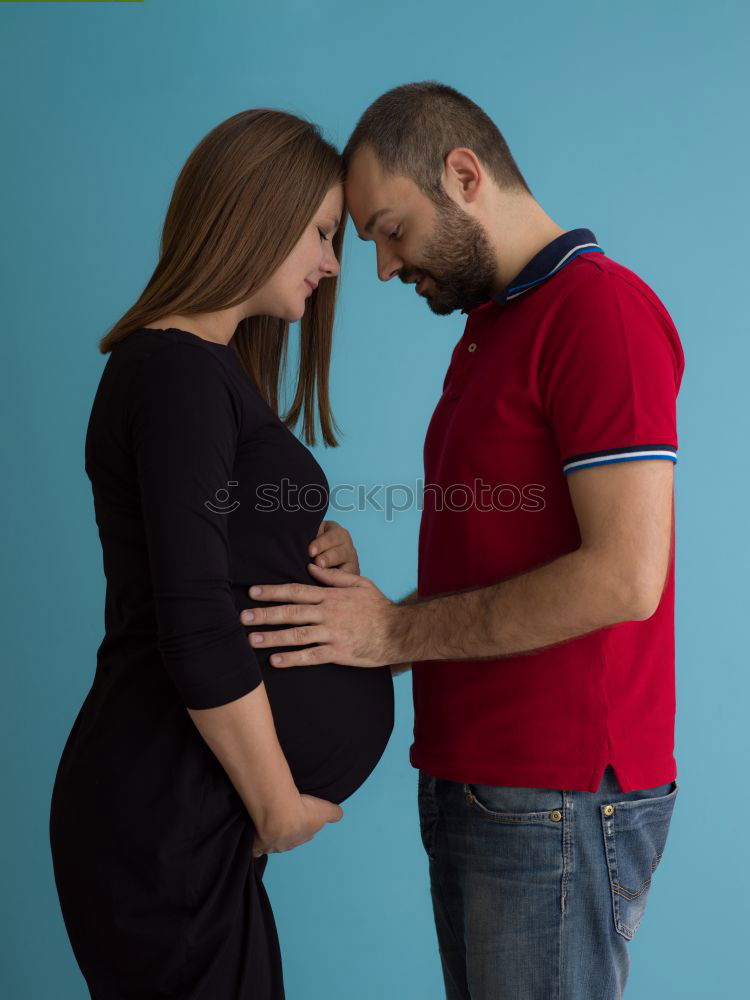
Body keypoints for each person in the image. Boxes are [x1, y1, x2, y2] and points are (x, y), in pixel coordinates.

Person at [241, 82, 684, 999]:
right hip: (481, 778)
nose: (382, 268)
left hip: (553, 791)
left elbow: (625, 578)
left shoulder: (599, 313)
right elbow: (499, 562)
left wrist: (393, 637)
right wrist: (367, 615)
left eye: (389, 229)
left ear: (464, 174)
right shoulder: (491, 330)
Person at [48, 109, 394, 1000]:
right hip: (165, 814)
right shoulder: (176, 371)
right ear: (255, 208)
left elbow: (203, 530)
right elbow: (194, 616)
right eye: (321, 232)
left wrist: (311, 538)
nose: (332, 263)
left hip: (187, 816)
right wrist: (277, 805)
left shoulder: (201, 372)